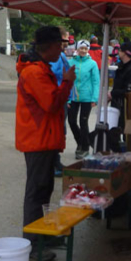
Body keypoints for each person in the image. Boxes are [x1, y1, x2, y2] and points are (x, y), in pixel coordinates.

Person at [16, 26, 76, 261]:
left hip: (43, 140)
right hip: (37, 140)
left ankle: (40, 236)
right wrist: (67, 82)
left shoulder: (40, 68)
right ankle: (32, 243)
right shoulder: (34, 72)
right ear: (49, 47)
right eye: (59, 46)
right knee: (36, 192)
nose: (61, 50)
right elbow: (51, 104)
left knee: (43, 189)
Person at [68, 40, 100, 159]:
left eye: (85, 49)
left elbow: (96, 82)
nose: (83, 50)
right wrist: (67, 98)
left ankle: (85, 148)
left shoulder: (92, 64)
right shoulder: (71, 62)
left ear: (88, 50)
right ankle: (80, 143)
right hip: (73, 96)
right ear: (77, 49)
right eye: (81, 48)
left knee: (83, 122)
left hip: (87, 97)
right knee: (71, 121)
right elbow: (67, 80)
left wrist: (95, 98)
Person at [49, 30, 71, 177]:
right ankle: (53, 162)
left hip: (61, 97)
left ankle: (55, 161)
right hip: (55, 97)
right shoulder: (54, 57)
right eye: (65, 39)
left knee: (60, 130)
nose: (67, 42)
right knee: (55, 130)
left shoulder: (61, 55)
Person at [110, 41, 131, 131]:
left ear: (125, 53)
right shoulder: (121, 68)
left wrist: (112, 93)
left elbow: (130, 92)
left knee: (126, 133)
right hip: (118, 106)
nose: (118, 52)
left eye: (120, 50)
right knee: (115, 131)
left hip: (128, 109)